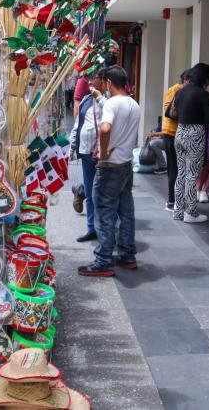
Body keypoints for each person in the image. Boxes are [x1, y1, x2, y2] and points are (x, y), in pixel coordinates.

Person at [78, 66, 141, 277]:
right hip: (125, 164)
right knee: (126, 212)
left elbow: (105, 129)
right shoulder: (134, 104)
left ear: (108, 83)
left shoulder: (112, 104)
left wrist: (103, 152)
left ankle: (103, 261)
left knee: (104, 211)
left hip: (110, 166)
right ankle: (127, 255)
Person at [172, 63, 209, 223]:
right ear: (204, 78)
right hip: (195, 134)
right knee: (192, 175)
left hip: (180, 132)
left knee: (181, 172)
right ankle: (191, 212)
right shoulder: (203, 94)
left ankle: (178, 211)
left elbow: (173, 113)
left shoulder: (180, 92)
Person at [68, 68, 106, 242]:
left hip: (103, 154)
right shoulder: (85, 100)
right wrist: (72, 146)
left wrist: (100, 97)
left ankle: (104, 229)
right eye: (89, 78)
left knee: (103, 193)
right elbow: (78, 124)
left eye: (94, 78)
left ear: (105, 81)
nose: (90, 81)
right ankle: (91, 228)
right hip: (85, 151)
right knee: (90, 192)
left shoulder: (109, 101)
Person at [160, 70, 189, 211]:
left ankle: (176, 200)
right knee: (174, 168)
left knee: (177, 168)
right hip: (171, 133)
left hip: (176, 133)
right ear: (186, 80)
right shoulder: (175, 90)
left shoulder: (180, 90)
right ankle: (171, 201)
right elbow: (169, 111)